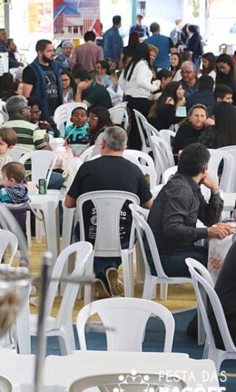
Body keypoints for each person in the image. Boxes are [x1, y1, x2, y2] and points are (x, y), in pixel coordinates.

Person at [65, 127, 153, 297]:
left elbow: (69, 204)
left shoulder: (87, 168)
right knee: (128, 232)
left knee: (82, 230)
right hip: (123, 236)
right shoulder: (135, 170)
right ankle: (109, 268)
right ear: (125, 146)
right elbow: (149, 205)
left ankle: (100, 272)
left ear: (103, 144)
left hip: (90, 235)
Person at [148, 143, 229, 277]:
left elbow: (210, 220)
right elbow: (172, 229)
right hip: (165, 258)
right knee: (223, 264)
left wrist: (215, 190)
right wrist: (208, 232)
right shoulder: (181, 190)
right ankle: (216, 298)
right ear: (205, 169)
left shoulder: (187, 185)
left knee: (225, 258)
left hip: (177, 250)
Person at [119, 43, 158, 150]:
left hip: (129, 98)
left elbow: (121, 81)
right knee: (140, 128)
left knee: (133, 127)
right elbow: (141, 81)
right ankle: (138, 149)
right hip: (140, 100)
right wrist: (154, 88)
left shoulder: (131, 64)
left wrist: (128, 90)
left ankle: (131, 149)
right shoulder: (143, 65)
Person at [22, 40, 63, 118]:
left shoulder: (55, 67)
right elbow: (26, 95)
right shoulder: (31, 70)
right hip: (41, 113)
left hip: (57, 112)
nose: (53, 53)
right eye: (49, 51)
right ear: (40, 53)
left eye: (53, 50)